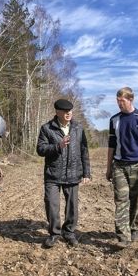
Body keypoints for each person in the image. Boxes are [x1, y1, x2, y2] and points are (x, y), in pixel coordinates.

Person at [105, 87, 138, 247]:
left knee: (136, 201)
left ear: (131, 100)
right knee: (121, 201)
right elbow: (111, 145)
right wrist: (108, 168)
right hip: (119, 165)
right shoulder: (114, 120)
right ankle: (123, 237)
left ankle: (133, 229)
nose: (120, 104)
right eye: (118, 101)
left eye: (122, 101)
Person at [37, 99, 91, 248]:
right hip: (53, 175)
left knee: (72, 206)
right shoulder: (47, 128)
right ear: (57, 112)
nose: (69, 113)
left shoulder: (78, 128)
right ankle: (54, 234)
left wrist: (86, 172)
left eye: (70, 111)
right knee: (51, 204)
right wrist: (57, 146)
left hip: (73, 173)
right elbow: (40, 150)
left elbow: (84, 151)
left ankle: (69, 232)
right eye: (65, 111)